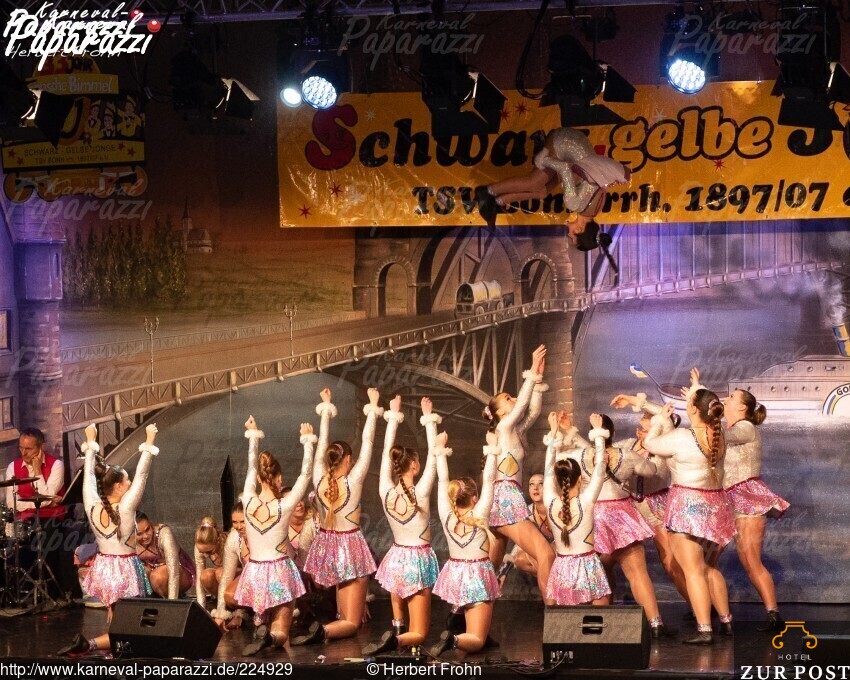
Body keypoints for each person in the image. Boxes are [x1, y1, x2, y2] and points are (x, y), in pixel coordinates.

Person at [565, 412, 672, 637]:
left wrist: (564, 434)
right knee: (637, 573)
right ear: (613, 434)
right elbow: (651, 471)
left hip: (592, 517)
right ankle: (656, 625)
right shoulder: (627, 455)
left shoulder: (579, 455)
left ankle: (597, 624)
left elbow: (558, 463)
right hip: (622, 514)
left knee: (596, 572)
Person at [643, 388, 735, 644]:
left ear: (693, 409)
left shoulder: (682, 437)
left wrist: (659, 421)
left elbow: (650, 444)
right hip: (716, 507)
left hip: (687, 508)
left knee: (693, 571)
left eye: (689, 402)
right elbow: (706, 409)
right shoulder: (719, 434)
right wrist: (696, 392)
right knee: (709, 568)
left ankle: (705, 629)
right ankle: (726, 621)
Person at [58, 423, 159, 656]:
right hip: (124, 569)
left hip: (105, 567)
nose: (130, 484)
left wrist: (90, 443)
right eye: (127, 481)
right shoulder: (126, 507)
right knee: (131, 624)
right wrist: (149, 441)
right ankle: (113, 649)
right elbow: (142, 474)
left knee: (121, 619)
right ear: (118, 486)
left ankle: (91, 645)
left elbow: (88, 478)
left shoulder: (92, 505)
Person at [294, 388, 381, 646]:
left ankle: (327, 634)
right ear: (348, 459)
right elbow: (368, 442)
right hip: (350, 548)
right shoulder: (353, 481)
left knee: (343, 616)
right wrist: (373, 407)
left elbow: (321, 447)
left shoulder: (319, 479)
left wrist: (325, 409)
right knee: (352, 623)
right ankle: (323, 631)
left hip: (328, 547)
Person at [364, 396, 439, 655]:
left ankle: (396, 631)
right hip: (417, 560)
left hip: (396, 558)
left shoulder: (385, 490)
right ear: (414, 466)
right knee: (420, 634)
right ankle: (396, 642)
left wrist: (393, 416)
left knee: (406, 626)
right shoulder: (422, 492)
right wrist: (429, 420)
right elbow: (434, 459)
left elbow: (385, 453)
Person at [484, 344, 555, 604]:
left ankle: (460, 616)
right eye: (507, 398)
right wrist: (532, 370)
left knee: (488, 568)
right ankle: (555, 616)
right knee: (546, 554)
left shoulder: (514, 431)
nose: (513, 397)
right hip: (505, 499)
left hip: (505, 498)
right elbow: (523, 403)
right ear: (501, 413)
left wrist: (538, 378)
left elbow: (533, 411)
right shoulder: (503, 427)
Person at [238, 416, 316, 655]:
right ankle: (271, 637)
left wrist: (253, 436)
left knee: (263, 618)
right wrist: (307, 442)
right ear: (279, 479)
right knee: (282, 628)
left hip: (254, 571)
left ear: (259, 479)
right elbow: (305, 476)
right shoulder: (285, 504)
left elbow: (251, 468)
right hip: (280, 570)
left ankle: (261, 632)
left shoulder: (247, 499)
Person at [475, 127, 630, 244]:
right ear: (580, 229)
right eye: (572, 237)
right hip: (566, 143)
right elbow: (564, 168)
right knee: (534, 182)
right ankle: (487, 191)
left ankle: (498, 202)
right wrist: (544, 160)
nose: (568, 235)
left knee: (542, 192)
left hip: (576, 152)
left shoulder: (595, 210)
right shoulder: (574, 203)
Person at [718, 382, 789, 632]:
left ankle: (773, 615)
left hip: (746, 497)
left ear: (742, 408)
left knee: (750, 560)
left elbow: (722, 435)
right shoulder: (731, 427)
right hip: (726, 498)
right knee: (708, 558)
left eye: (732, 397)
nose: (726, 399)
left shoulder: (745, 427)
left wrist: (704, 405)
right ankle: (707, 608)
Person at [609, 393, 690, 604]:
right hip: (630, 507)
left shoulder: (663, 447)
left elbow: (666, 418)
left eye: (649, 418)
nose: (645, 419)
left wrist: (635, 401)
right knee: (606, 559)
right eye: (643, 421)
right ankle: (604, 606)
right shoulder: (628, 445)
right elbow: (605, 451)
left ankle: (699, 606)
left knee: (671, 563)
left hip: (656, 506)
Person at [430, 431, 500, 656]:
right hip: (477, 574)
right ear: (474, 498)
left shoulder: (446, 514)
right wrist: (492, 449)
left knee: (476, 633)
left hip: (455, 574)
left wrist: (440, 450)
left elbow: (442, 480)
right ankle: (453, 639)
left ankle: (456, 630)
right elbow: (490, 480)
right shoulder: (479, 513)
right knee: (477, 640)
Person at [543, 411, 610, 606]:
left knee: (565, 622)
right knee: (600, 620)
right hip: (588, 566)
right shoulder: (586, 501)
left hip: (562, 568)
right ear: (580, 479)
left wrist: (553, 433)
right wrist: (598, 433)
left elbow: (548, 469)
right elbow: (600, 468)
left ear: (556, 480)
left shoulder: (549, 500)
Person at [4, 427, 69, 594]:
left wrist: (38, 470)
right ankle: (22, 587)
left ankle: (48, 589)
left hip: (52, 517)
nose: (23, 453)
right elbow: (12, 503)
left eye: (28, 448)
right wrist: (43, 502)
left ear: (41, 447)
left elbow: (46, 495)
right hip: (25, 518)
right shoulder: (13, 467)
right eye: (21, 448)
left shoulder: (57, 465)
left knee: (48, 534)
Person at [503, 472, 554, 584]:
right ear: (529, 490)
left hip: (563, 552)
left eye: (541, 484)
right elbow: (521, 540)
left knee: (544, 554)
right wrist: (505, 571)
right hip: (544, 554)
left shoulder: (556, 506)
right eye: (531, 484)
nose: (535, 488)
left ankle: (552, 584)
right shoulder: (528, 512)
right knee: (520, 559)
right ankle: (552, 583)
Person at [207, 502, 251, 630]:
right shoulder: (234, 538)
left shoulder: (263, 534)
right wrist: (221, 614)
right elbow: (227, 576)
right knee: (230, 595)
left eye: (242, 522)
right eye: (235, 522)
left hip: (271, 577)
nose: (238, 527)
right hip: (250, 576)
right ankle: (247, 611)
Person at [135, 512, 195, 599]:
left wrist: (172, 603)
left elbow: (174, 572)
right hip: (151, 574)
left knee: (157, 577)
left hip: (177, 572)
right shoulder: (128, 539)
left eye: (147, 529)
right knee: (134, 573)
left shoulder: (164, 534)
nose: (146, 536)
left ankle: (171, 601)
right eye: (139, 534)